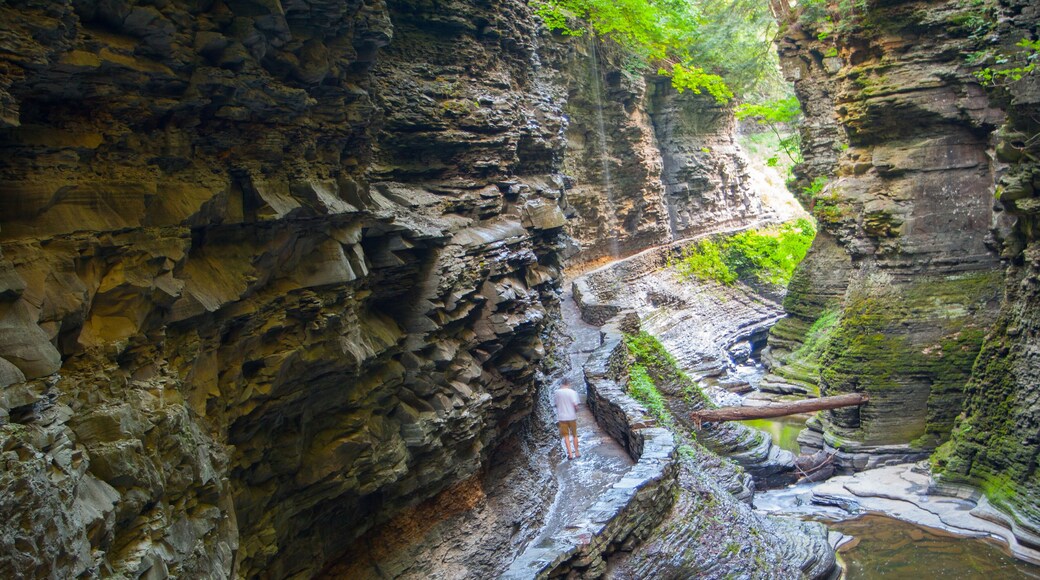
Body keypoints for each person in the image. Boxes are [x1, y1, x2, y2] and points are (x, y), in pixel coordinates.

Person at [554, 378, 581, 460]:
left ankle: (570, 454)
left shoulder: (556, 392)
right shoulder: (573, 392)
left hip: (562, 417)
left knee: (566, 436)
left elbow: (555, 404)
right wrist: (576, 410)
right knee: (574, 435)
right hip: (572, 416)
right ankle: (576, 452)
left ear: (561, 384)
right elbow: (576, 406)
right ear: (568, 384)